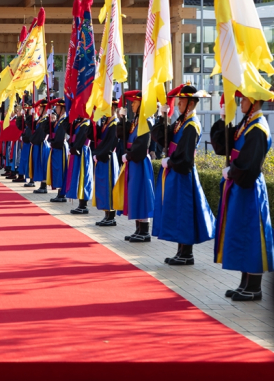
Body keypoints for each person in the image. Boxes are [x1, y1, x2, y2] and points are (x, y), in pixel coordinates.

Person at [211, 92, 274, 301]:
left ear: (255, 102)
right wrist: (223, 119)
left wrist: (232, 171)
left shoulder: (257, 127)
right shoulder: (247, 123)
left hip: (249, 185)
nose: (240, 102)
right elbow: (224, 146)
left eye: (244, 99)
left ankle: (254, 286)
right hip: (240, 184)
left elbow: (250, 163)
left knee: (252, 235)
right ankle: (245, 282)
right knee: (241, 232)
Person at [151, 84, 215, 266]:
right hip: (176, 171)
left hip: (183, 173)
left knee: (184, 213)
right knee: (178, 212)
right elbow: (163, 137)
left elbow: (185, 156)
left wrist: (170, 162)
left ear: (190, 103)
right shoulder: (181, 121)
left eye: (182, 101)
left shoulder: (192, 125)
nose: (178, 104)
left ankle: (187, 253)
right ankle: (181, 251)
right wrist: (162, 117)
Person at [116, 91, 155, 243]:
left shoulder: (145, 121)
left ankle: (144, 231)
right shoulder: (136, 120)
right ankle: (138, 228)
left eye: (134, 102)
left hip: (139, 161)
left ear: (141, 103)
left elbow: (141, 144)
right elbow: (122, 135)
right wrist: (122, 119)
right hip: (133, 161)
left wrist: (130, 155)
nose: (131, 104)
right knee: (134, 194)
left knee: (141, 195)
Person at [93, 100, 120, 226]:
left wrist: (99, 154)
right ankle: (106, 214)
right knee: (103, 187)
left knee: (109, 186)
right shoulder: (106, 122)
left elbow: (110, 143)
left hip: (108, 157)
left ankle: (111, 216)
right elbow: (96, 136)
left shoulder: (114, 123)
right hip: (102, 156)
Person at [66, 115, 94, 214]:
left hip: (83, 152)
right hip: (77, 151)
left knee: (83, 177)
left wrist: (74, 147)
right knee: (77, 176)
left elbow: (81, 138)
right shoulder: (79, 122)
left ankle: (83, 204)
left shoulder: (86, 123)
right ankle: (81, 203)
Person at [47, 98, 69, 203]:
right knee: (57, 169)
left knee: (61, 169)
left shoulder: (64, 119)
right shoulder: (59, 119)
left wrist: (54, 142)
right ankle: (60, 192)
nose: (56, 108)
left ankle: (62, 193)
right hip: (56, 146)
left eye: (58, 107)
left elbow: (60, 135)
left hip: (60, 146)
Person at [31, 99, 52, 194]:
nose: (38, 110)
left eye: (40, 108)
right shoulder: (41, 118)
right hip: (37, 144)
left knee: (42, 164)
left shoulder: (46, 119)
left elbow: (41, 133)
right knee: (38, 164)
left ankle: (43, 186)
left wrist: (33, 140)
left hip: (42, 144)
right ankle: (42, 185)